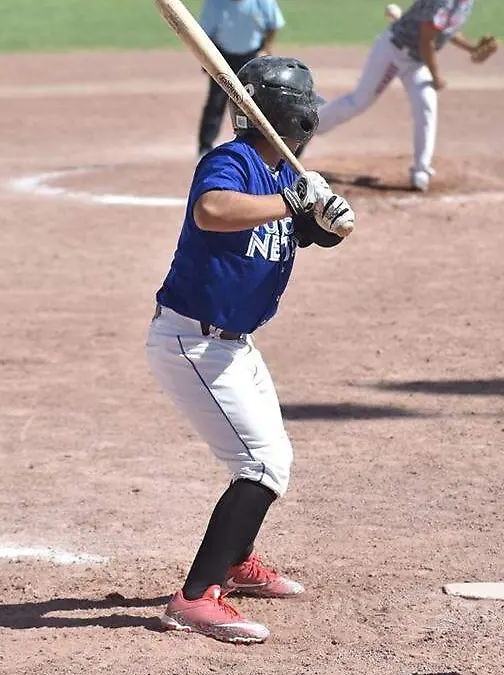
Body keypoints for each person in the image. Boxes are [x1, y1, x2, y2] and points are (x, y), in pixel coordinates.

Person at [147, 55, 355, 644]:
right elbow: (213, 211)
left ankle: (235, 561)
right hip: (193, 340)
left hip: (233, 345)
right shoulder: (232, 162)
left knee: (273, 458)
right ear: (298, 116)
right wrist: (294, 203)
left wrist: (325, 225)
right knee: (260, 464)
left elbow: (285, 234)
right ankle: (195, 597)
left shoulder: (280, 176)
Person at [314, 0, 496, 192]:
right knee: (358, 101)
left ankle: (421, 171)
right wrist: (436, 76)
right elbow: (426, 39)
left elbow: (443, 31)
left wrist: (471, 47)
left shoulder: (465, 3)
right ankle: (309, 125)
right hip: (392, 51)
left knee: (427, 105)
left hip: (416, 61)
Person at [196, 0, 286, 157]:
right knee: (215, 102)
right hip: (222, 56)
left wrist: (265, 48)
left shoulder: (262, 2)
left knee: (256, 103)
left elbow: (273, 25)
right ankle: (205, 147)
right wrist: (207, 59)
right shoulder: (215, 3)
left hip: (252, 56)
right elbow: (205, 34)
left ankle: (260, 145)